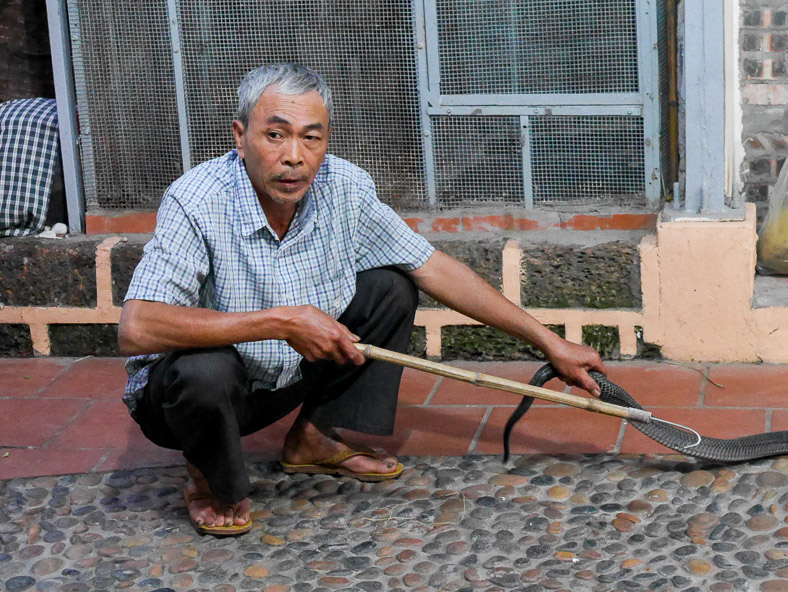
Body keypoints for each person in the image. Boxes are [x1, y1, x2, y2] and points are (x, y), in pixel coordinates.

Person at [118, 63, 605, 536]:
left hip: (286, 376)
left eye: (312, 137)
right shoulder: (196, 199)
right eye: (275, 135)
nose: (295, 156)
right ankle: (209, 477)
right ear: (239, 136)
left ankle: (314, 437)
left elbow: (431, 266)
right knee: (204, 369)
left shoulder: (343, 186)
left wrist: (549, 344)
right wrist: (281, 322)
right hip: (198, 397)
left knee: (390, 287)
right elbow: (136, 327)